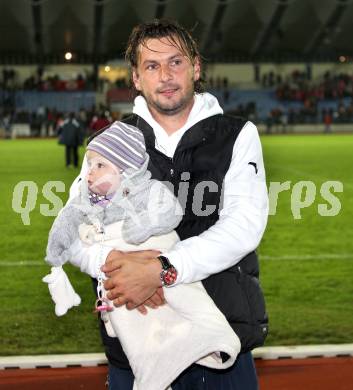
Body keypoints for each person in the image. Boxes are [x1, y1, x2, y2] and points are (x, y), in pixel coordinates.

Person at [69, 19, 269, 390]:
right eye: (152, 65)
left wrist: (162, 270)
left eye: (175, 62)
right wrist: (122, 270)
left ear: (195, 67)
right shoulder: (110, 142)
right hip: (140, 344)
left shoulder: (238, 135)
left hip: (222, 340)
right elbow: (77, 232)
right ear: (135, 77)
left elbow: (244, 225)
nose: (165, 75)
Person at [43, 122, 241, 390]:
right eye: (90, 165)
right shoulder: (86, 196)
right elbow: (68, 223)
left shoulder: (146, 189)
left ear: (126, 170)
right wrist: (88, 259)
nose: (90, 172)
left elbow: (169, 210)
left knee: (187, 296)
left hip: (163, 254)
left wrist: (146, 243)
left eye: (99, 166)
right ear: (135, 77)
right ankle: (151, 371)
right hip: (118, 273)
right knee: (129, 321)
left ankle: (215, 338)